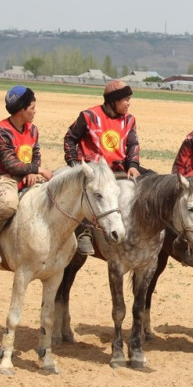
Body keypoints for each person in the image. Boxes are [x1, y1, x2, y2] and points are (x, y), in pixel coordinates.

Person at [63, 80, 144, 256]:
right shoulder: (88, 116)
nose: (129, 103)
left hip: (119, 169)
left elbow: (133, 145)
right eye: (126, 99)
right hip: (95, 171)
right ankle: (84, 232)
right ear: (113, 101)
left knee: (150, 181)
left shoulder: (129, 120)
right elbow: (70, 138)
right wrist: (75, 165)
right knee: (90, 194)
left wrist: (133, 165)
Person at [0, 86, 53, 263]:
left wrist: (33, 171)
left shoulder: (32, 130)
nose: (35, 111)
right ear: (21, 110)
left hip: (24, 175)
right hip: (2, 177)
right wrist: (37, 170)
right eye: (32, 107)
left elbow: (35, 156)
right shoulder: (0, 132)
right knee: (7, 204)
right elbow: (10, 164)